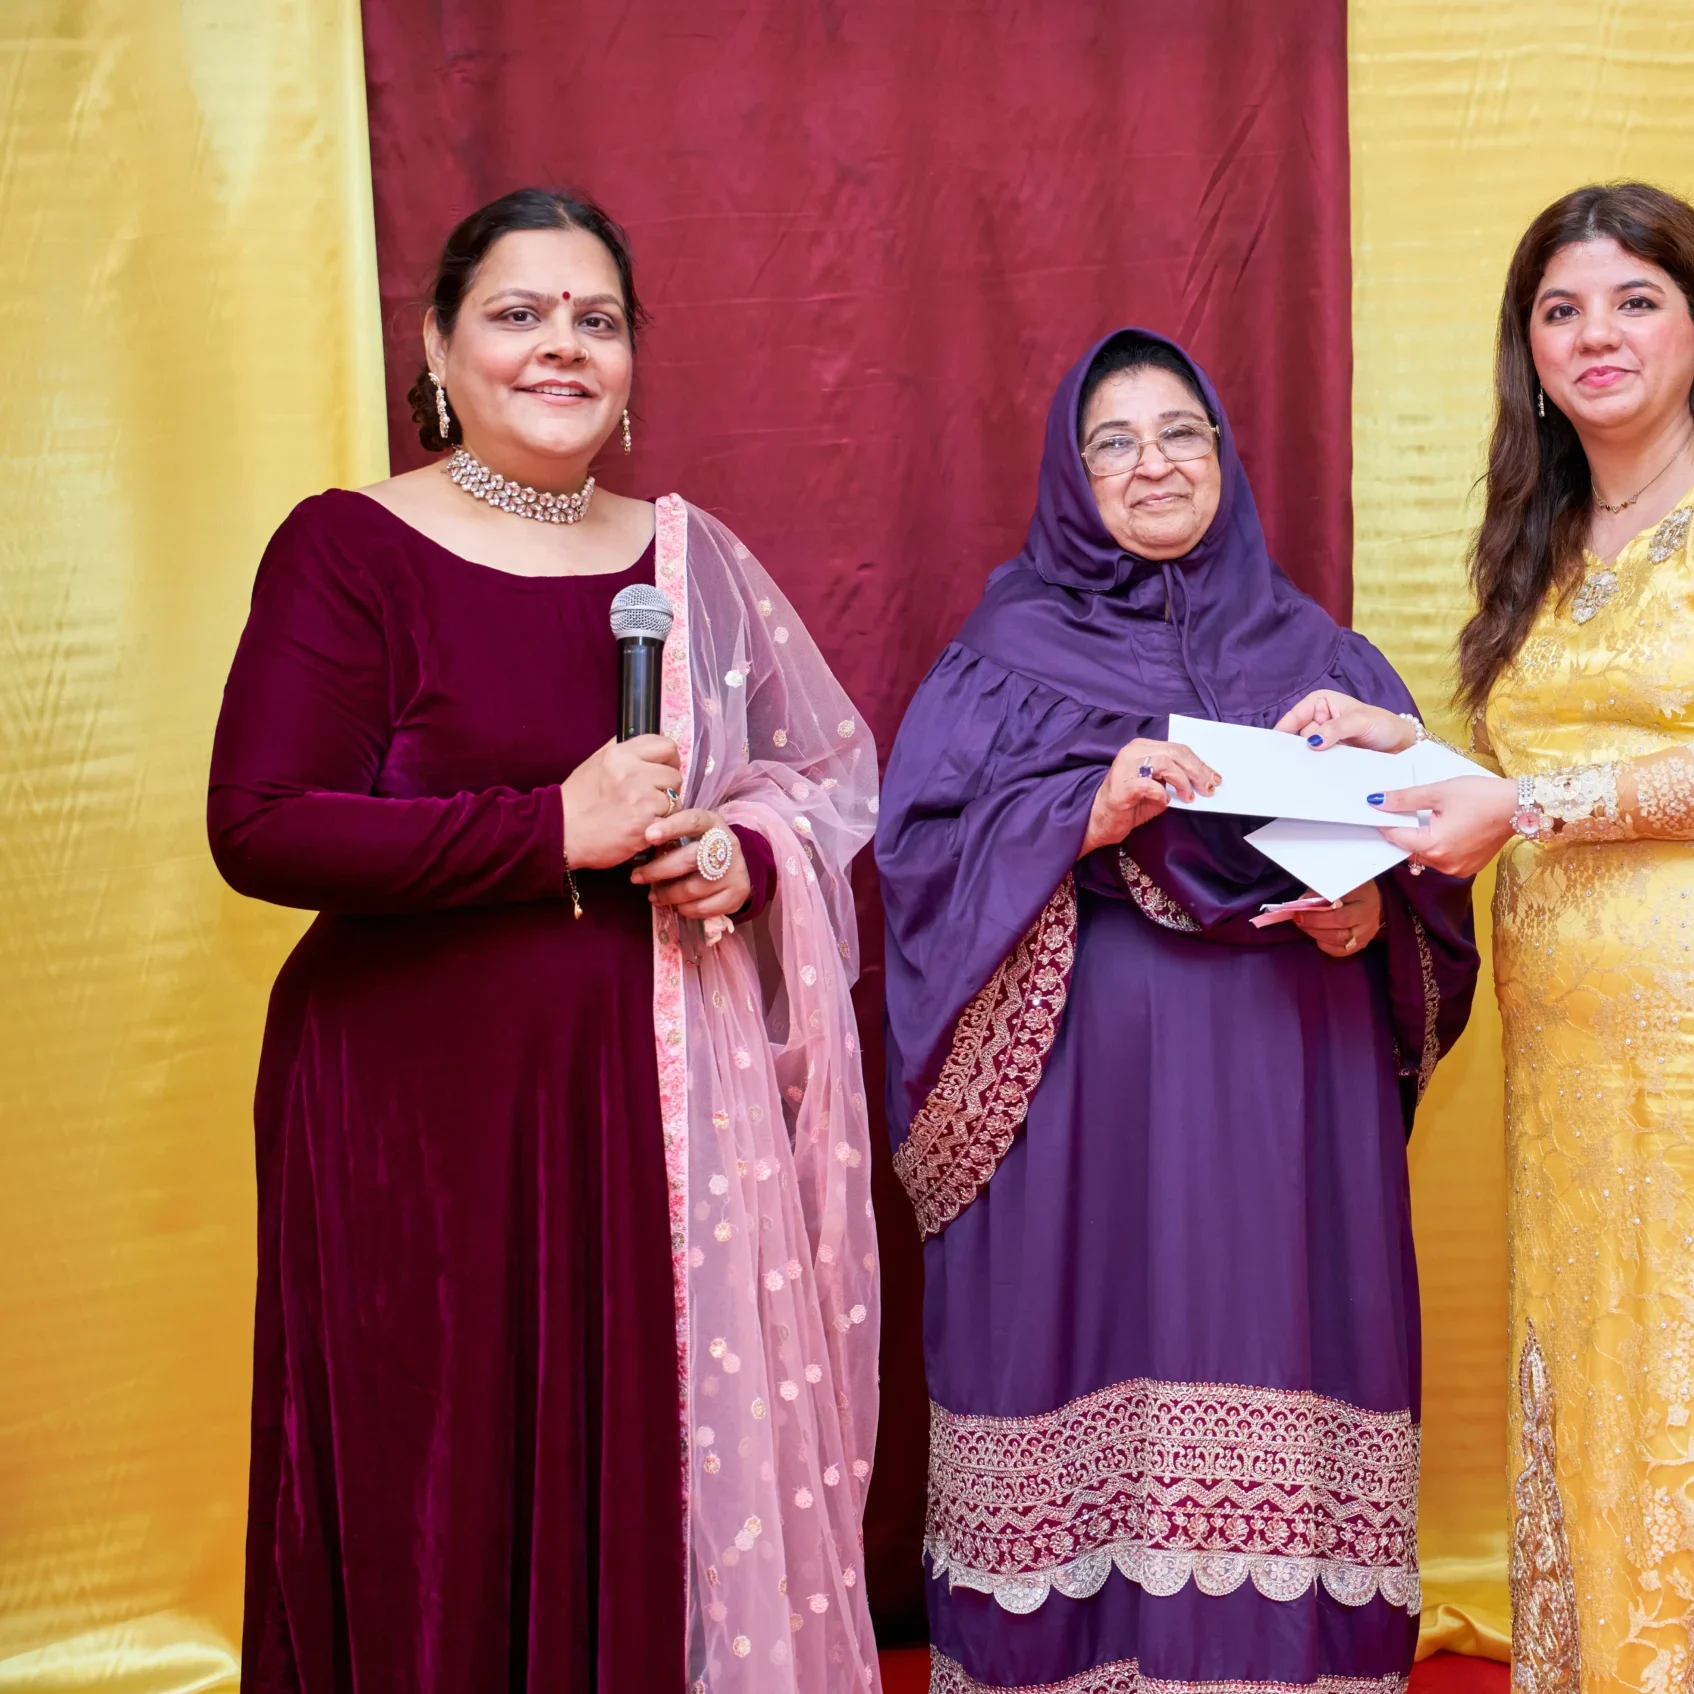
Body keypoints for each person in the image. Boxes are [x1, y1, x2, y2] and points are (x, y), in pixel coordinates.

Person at [208, 187, 881, 1694]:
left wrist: (738, 855)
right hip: (412, 1132)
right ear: (438, 349)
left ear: (632, 365)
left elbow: (817, 782)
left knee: (634, 1490)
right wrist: (545, 828)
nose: (561, 345)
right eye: (517, 314)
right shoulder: (351, 547)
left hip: (645, 1126)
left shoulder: (687, 560)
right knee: (436, 1506)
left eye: (597, 319)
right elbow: (259, 824)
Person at [875, 328, 1479, 1694]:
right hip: (1079, 1108)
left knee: (1272, 1348)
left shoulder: (1324, 661)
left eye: (1180, 434)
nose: (1152, 464)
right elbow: (917, 860)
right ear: (1069, 473)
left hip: (1289, 1098)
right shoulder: (1004, 656)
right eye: (1114, 442)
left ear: (1223, 454)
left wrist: (1370, 917)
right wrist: (1085, 812)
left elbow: (1432, 868)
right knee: (1085, 1360)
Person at [1277, 181, 1694, 1694]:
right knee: (1593, 1360)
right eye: (1559, 309)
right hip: (1568, 1063)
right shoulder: (1546, 530)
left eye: (1635, 299)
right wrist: (1410, 754)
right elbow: (1527, 769)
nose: (1595, 335)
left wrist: (1518, 803)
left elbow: (1546, 795)